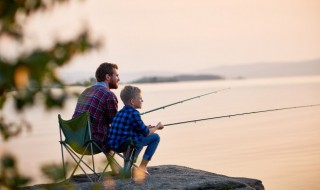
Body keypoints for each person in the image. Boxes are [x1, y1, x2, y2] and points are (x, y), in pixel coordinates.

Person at [108, 85, 164, 176]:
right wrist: (157, 127)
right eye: (140, 98)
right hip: (125, 145)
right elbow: (146, 133)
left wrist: (146, 127)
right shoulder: (134, 113)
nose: (142, 100)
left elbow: (130, 127)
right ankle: (142, 168)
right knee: (155, 137)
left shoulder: (120, 112)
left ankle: (128, 166)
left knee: (138, 137)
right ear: (132, 101)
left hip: (113, 145)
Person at [73, 62, 120, 169]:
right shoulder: (108, 95)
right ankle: (123, 170)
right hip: (92, 142)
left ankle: (116, 168)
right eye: (116, 75)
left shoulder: (86, 91)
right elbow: (115, 123)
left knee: (104, 130)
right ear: (108, 77)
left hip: (75, 139)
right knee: (124, 133)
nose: (118, 79)